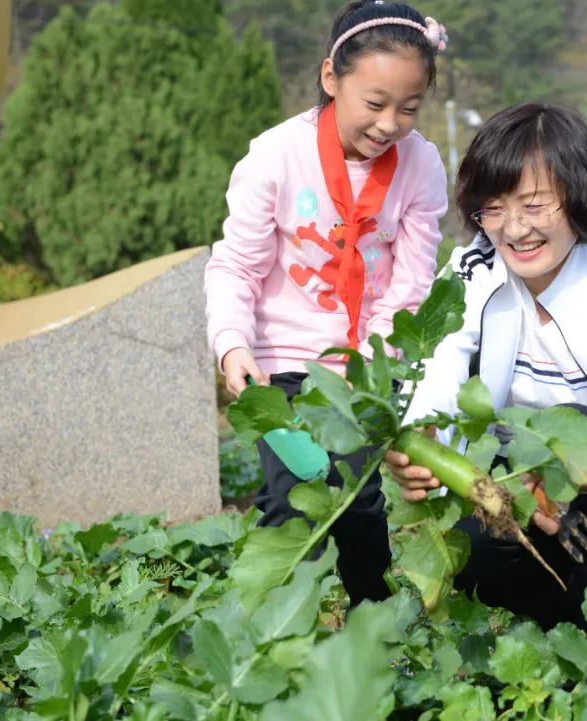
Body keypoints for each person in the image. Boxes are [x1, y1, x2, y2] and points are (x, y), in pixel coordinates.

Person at [385, 103, 587, 631]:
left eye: (534, 205)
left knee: (580, 423)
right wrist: (422, 445)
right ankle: (548, 625)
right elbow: (437, 377)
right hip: (517, 481)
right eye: (494, 209)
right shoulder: (470, 272)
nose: (514, 230)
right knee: (481, 543)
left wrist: (568, 476)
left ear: (577, 195)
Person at [204, 0, 449, 605]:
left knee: (361, 498)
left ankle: (377, 626)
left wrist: (371, 369)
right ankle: (272, 625)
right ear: (330, 78)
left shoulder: (421, 165)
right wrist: (231, 343)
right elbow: (236, 264)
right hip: (282, 359)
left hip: (366, 367)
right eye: (375, 103)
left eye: (410, 108)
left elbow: (411, 284)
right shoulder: (275, 157)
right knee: (295, 496)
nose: (391, 123)